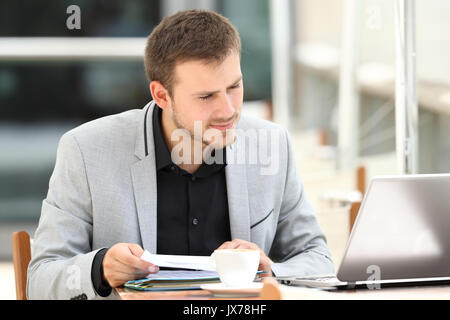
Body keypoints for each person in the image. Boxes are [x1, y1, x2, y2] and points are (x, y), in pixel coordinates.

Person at [27, 9, 334, 300]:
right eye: (206, 96)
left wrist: (271, 271)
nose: (228, 110)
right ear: (162, 95)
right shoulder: (86, 150)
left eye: (234, 87)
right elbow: (40, 280)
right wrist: (100, 268)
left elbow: (318, 259)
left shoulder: (272, 144)